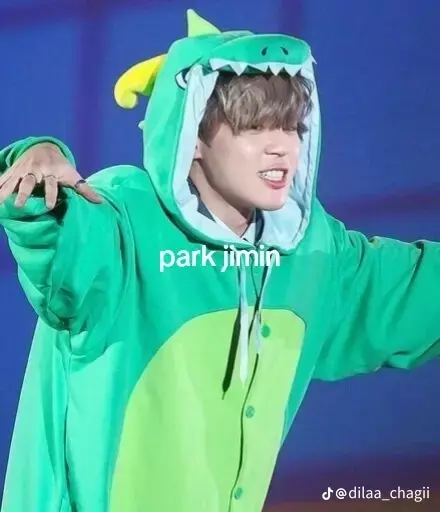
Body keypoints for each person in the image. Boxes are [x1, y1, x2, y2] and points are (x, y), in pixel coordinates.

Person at [1, 9, 440, 512]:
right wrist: (37, 168)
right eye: (253, 127)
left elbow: (414, 292)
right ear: (192, 139)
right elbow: (63, 242)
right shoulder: (125, 216)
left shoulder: (313, 252)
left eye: (292, 127)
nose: (281, 148)